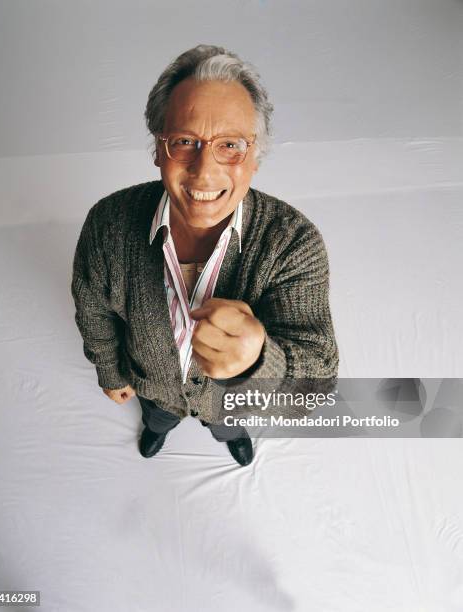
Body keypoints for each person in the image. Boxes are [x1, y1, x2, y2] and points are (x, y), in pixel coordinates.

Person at [71, 44, 339, 467]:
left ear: (255, 157)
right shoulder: (107, 224)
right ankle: (157, 427)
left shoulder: (293, 242)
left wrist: (256, 363)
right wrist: (110, 370)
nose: (204, 170)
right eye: (184, 141)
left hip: (230, 404)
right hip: (152, 386)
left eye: (230, 145)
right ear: (159, 149)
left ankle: (229, 436)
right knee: (158, 417)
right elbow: (92, 311)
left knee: (226, 424)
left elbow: (315, 387)